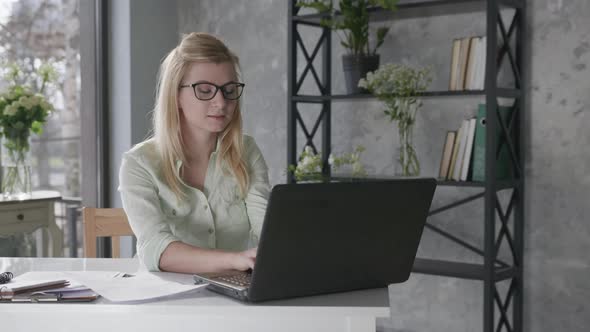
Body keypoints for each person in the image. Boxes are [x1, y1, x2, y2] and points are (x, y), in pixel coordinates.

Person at [118, 32, 270, 273]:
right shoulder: (139, 164)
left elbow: (267, 230)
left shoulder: (246, 151)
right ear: (175, 94)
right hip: (168, 301)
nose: (221, 102)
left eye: (229, 90)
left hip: (237, 296)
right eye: (205, 90)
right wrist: (233, 260)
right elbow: (155, 248)